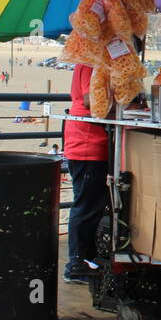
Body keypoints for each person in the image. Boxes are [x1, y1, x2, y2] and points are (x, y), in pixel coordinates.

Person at [64, 63, 109, 284]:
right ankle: (75, 263)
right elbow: (92, 101)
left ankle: (90, 258)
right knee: (85, 205)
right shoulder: (88, 64)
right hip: (86, 144)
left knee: (95, 206)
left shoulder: (96, 63)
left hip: (95, 143)